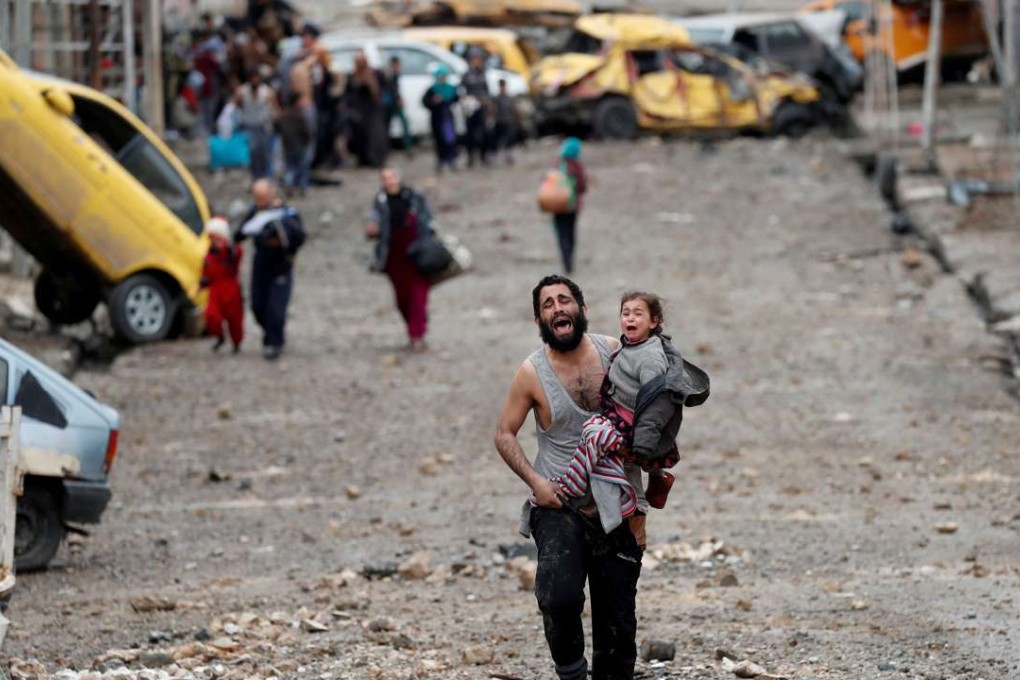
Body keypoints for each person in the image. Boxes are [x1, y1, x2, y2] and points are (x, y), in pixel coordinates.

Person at [493, 275, 643, 680]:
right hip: (560, 503)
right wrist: (535, 483)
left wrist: (650, 489)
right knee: (557, 597)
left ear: (581, 307)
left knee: (617, 630)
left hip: (616, 505)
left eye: (564, 300)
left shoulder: (615, 353)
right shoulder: (531, 372)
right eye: (547, 304)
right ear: (538, 318)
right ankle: (572, 673)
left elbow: (654, 411)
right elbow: (504, 432)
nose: (558, 308)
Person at [550, 292, 707, 532]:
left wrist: (642, 443)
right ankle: (645, 488)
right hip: (620, 417)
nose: (630, 318)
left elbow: (659, 403)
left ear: (653, 322)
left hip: (635, 428)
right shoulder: (631, 346)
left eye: (638, 314)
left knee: (594, 435)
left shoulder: (650, 357)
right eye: (626, 313)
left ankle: (575, 488)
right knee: (620, 466)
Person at [364, 167, 434, 353]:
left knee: (418, 294)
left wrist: (428, 238)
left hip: (417, 254)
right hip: (394, 256)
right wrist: (371, 229)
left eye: (392, 177)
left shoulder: (414, 196)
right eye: (385, 178)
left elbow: (427, 218)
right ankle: (415, 327)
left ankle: (417, 334)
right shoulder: (380, 201)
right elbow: (373, 219)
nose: (389, 181)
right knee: (402, 298)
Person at [235, 179, 305, 360]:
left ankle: (274, 342)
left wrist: (281, 236)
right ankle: (270, 333)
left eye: (262, 197)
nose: (259, 201)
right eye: (256, 197)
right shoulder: (256, 212)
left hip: (281, 264)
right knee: (257, 305)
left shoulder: (287, 213)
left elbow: (299, 237)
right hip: (261, 262)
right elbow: (240, 233)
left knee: (276, 308)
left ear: (271, 195)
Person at [201, 217, 244, 353]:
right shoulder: (209, 255)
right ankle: (219, 336)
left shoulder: (230, 252)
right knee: (211, 315)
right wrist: (203, 281)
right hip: (215, 290)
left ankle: (236, 343)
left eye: (217, 238)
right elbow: (205, 271)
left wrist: (230, 247)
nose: (215, 242)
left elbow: (238, 253)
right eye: (212, 239)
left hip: (231, 290)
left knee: (235, 320)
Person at [346, 52, 389, 168]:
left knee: (376, 135)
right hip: (359, 110)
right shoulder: (352, 75)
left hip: (373, 109)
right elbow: (349, 92)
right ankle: (363, 158)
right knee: (360, 135)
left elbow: (379, 92)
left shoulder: (374, 73)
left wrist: (370, 83)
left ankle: (376, 158)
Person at [234, 67, 278, 179]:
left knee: (264, 154)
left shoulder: (267, 92)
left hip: (262, 126)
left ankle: (264, 177)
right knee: (252, 154)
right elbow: (236, 107)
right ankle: (255, 177)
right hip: (248, 125)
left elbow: (275, 109)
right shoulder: (242, 92)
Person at [552, 137, 586, 274]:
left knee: (561, 234)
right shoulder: (577, 166)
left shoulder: (559, 165)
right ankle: (570, 261)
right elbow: (582, 186)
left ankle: (565, 260)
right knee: (571, 233)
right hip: (572, 206)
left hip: (557, 206)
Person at [422, 65, 459, 173]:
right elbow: (425, 102)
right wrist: (433, 102)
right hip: (437, 118)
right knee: (439, 140)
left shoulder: (450, 88)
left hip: (448, 118)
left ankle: (452, 160)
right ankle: (441, 160)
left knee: (451, 140)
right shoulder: (432, 90)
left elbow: (455, 99)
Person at [275, 92, 313, 196]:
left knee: (290, 168)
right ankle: (302, 187)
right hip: (299, 146)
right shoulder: (300, 116)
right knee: (302, 167)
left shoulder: (283, 116)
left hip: (287, 146)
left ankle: (289, 186)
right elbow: (306, 132)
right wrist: (306, 141)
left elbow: (276, 128)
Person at [460, 50, 491, 167]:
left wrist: (486, 102)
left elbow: (486, 90)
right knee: (470, 134)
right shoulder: (466, 75)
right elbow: (462, 91)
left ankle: (484, 156)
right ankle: (471, 158)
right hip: (470, 109)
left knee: (483, 133)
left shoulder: (482, 74)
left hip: (481, 107)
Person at [384, 55, 413, 153]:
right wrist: (398, 99)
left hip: (390, 103)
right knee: (402, 123)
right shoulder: (391, 74)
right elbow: (393, 89)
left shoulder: (391, 73)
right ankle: (407, 147)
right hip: (391, 104)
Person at [491, 78, 519, 166]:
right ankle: (495, 156)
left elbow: (514, 109)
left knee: (509, 139)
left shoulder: (509, 98)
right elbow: (492, 109)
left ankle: (509, 156)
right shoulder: (496, 98)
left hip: (508, 121)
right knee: (497, 139)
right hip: (499, 121)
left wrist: (516, 118)